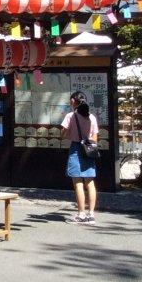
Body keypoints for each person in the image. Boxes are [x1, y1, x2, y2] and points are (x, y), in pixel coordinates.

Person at [61, 90, 99, 224]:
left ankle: (81, 214)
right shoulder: (92, 117)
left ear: (73, 101)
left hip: (76, 149)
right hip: (89, 149)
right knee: (90, 182)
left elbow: (64, 134)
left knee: (78, 182)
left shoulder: (70, 116)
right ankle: (91, 215)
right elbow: (95, 137)